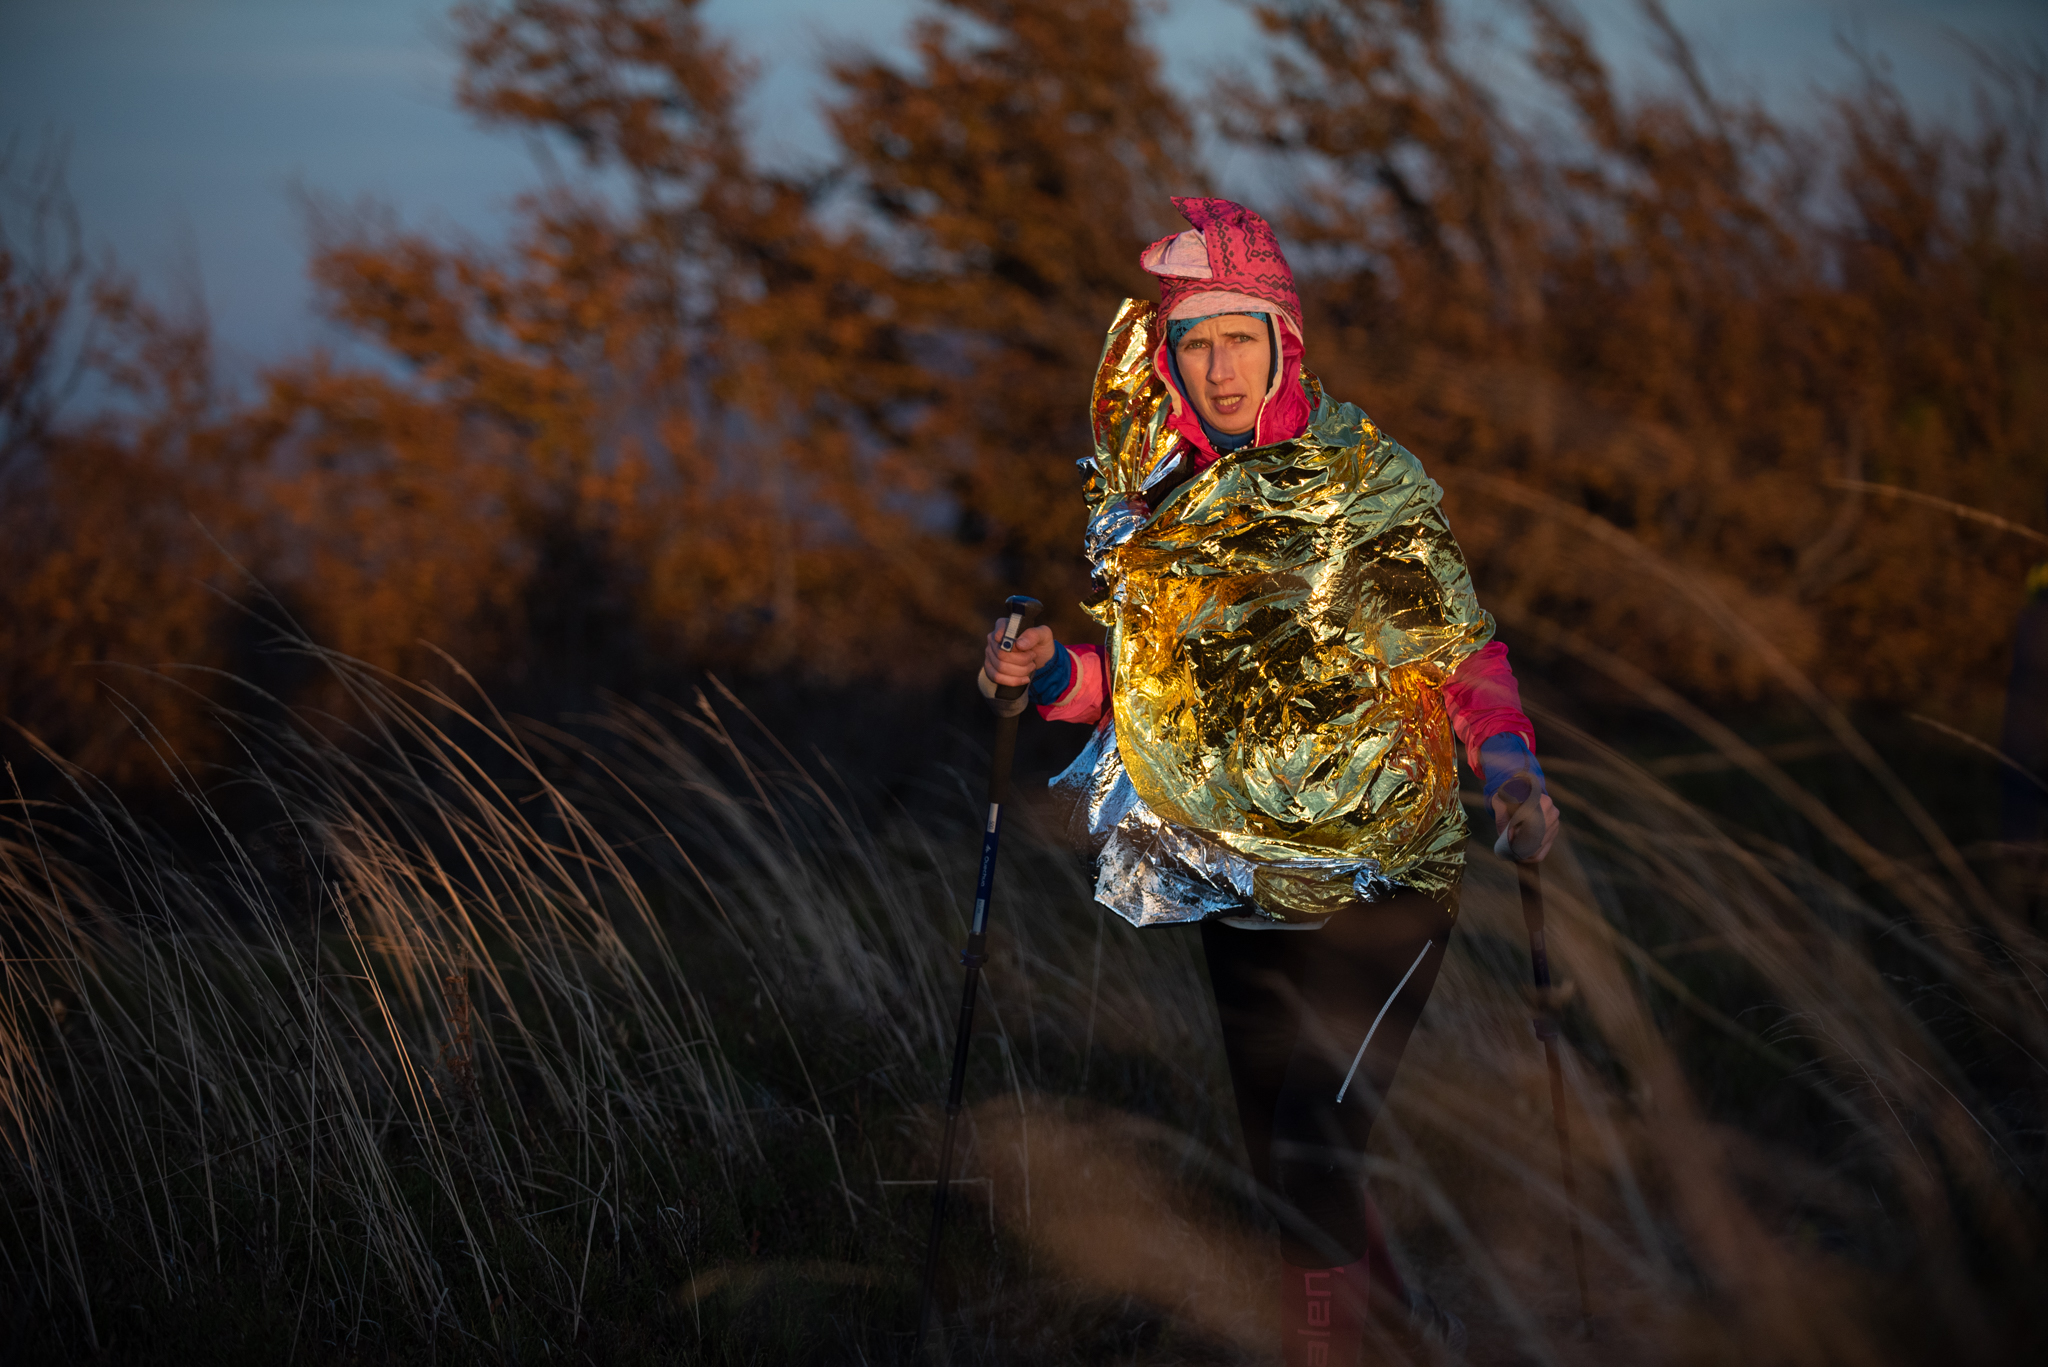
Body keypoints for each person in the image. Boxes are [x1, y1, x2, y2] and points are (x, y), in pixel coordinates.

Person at [980, 198, 1559, 1365]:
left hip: (1384, 871)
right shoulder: (1160, 504)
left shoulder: (1363, 480)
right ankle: (1398, 1325)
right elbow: (1145, 695)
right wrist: (1048, 676)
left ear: (1282, 336)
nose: (1216, 365)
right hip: (1232, 869)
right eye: (1193, 343)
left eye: (1236, 336)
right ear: (1169, 357)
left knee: (1313, 1133)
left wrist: (1508, 773)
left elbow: (1457, 654)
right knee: (1279, 1150)